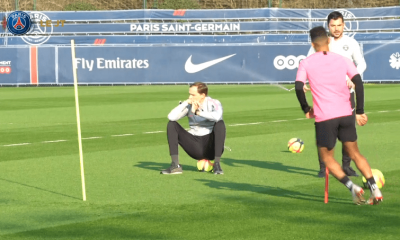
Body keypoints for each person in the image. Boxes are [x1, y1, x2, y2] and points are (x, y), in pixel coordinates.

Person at [295, 26, 383, 205]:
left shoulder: (306, 62)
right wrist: (359, 110)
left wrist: (306, 108)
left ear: (312, 44)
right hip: (346, 114)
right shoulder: (342, 59)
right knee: (355, 153)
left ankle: (353, 187)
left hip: (325, 117)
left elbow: (298, 87)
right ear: (328, 41)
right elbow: (358, 82)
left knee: (327, 157)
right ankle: (374, 188)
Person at [306, 11, 367, 178]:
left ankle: (346, 166)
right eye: (333, 26)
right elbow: (308, 62)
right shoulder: (323, 42)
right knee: (323, 131)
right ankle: (323, 167)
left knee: (348, 130)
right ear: (328, 26)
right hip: (324, 96)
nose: (336, 28)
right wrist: (306, 82)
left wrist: (353, 79)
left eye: (339, 25)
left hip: (347, 94)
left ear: (344, 25)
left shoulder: (351, 43)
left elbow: (361, 63)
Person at [161, 82, 226, 175]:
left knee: (220, 123)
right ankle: (175, 165)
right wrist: (185, 103)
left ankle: (217, 164)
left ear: (203, 95)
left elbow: (217, 117)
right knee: (171, 124)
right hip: (194, 145)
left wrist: (197, 112)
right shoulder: (189, 104)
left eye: (193, 95)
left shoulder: (214, 103)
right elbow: (171, 117)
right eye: (189, 94)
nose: (190, 97)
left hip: (211, 146)